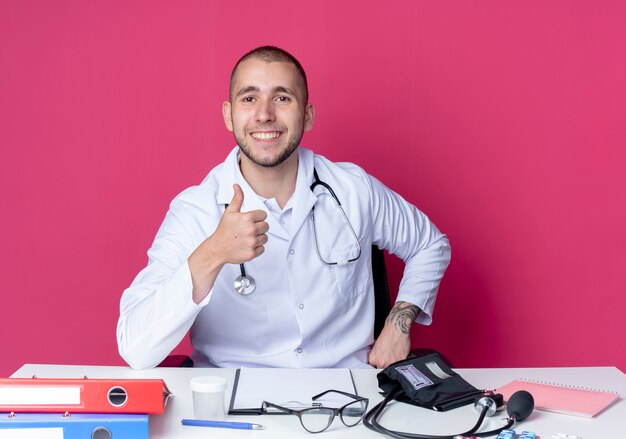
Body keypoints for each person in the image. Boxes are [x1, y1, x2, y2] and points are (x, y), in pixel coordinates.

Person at [116, 46, 451, 370]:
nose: (264, 114)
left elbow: (429, 244)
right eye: (249, 99)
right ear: (229, 115)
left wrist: (399, 322)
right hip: (232, 399)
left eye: (282, 98)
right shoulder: (195, 210)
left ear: (307, 115)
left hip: (348, 394)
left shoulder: (354, 189)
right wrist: (212, 254)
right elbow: (135, 347)